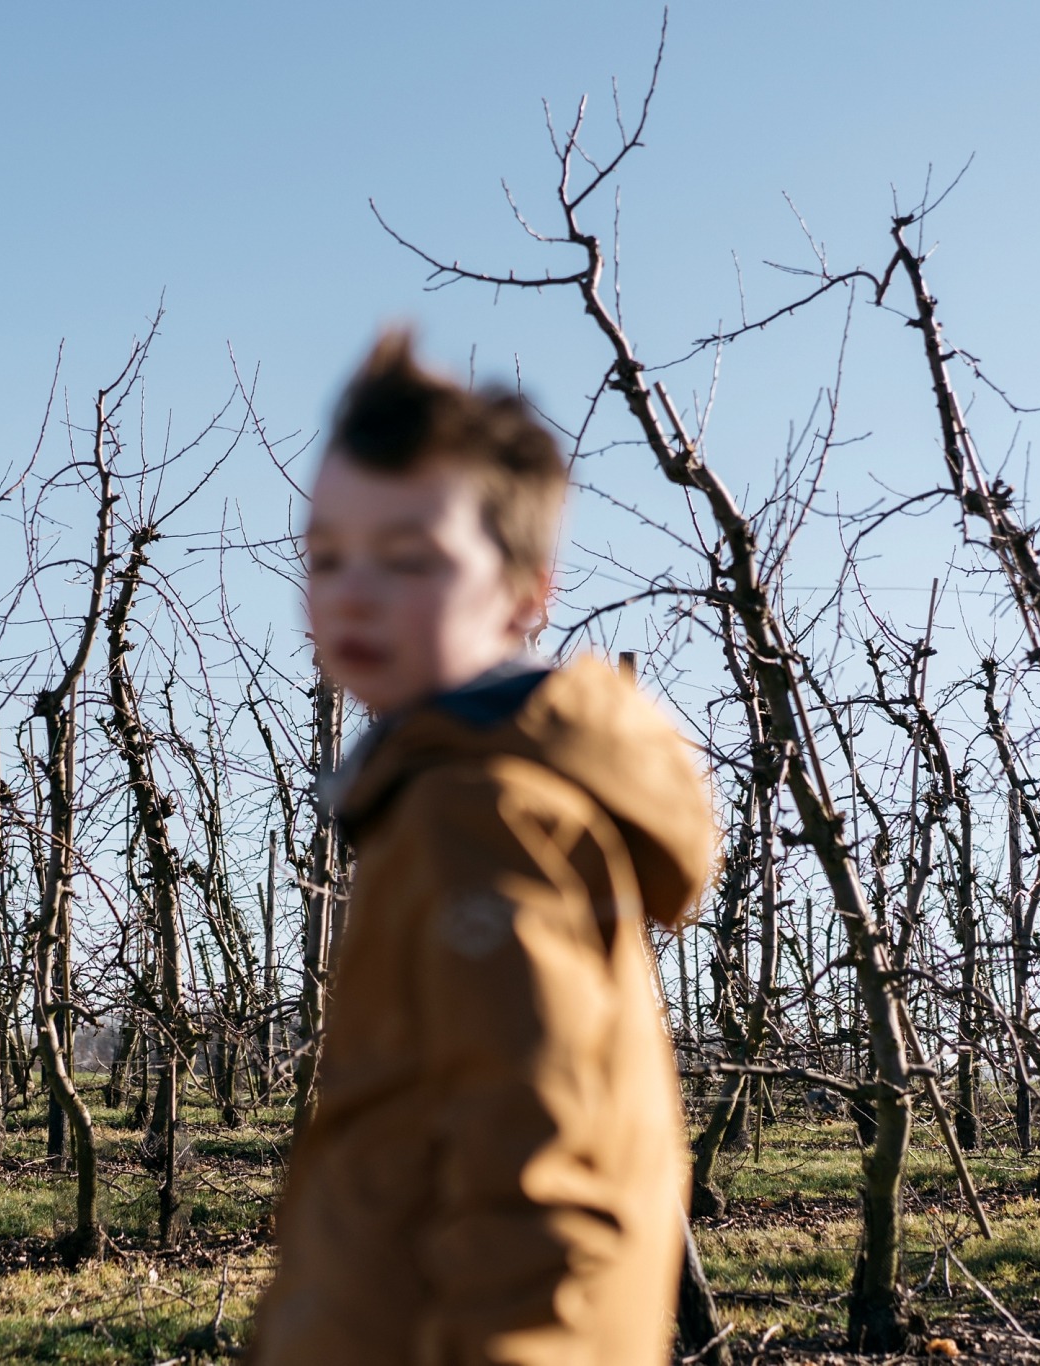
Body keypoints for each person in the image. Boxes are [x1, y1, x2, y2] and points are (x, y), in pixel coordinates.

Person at [247, 332, 718, 1365]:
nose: (354, 589)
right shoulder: (454, 793)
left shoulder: (483, 813)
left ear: (523, 594)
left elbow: (540, 1170)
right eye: (325, 554)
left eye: (408, 557)